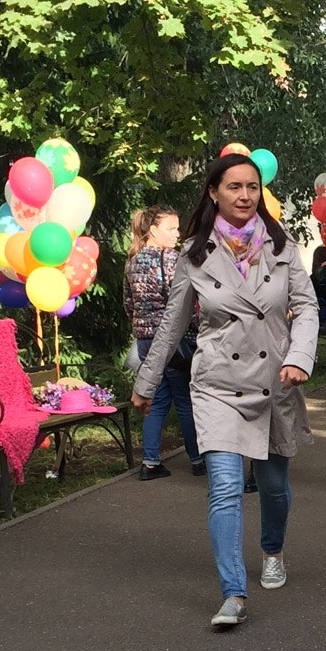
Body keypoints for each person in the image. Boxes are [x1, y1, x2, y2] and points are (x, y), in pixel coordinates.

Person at [132, 151, 318, 628]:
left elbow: (306, 307)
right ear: (214, 193)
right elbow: (172, 323)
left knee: (273, 486)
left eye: (252, 187)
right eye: (234, 186)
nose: (244, 195)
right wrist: (147, 381)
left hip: (275, 380)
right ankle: (233, 593)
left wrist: (299, 357)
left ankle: (272, 549)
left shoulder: (282, 245)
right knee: (225, 487)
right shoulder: (194, 253)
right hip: (216, 382)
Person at [125, 206, 202, 480]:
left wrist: (142, 325)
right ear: (153, 230)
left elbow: (128, 303)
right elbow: (184, 303)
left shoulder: (132, 261)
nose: (177, 234)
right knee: (185, 399)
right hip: (172, 342)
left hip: (145, 340)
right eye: (172, 229)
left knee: (155, 400)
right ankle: (198, 459)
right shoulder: (171, 259)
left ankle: (150, 462)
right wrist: (196, 327)